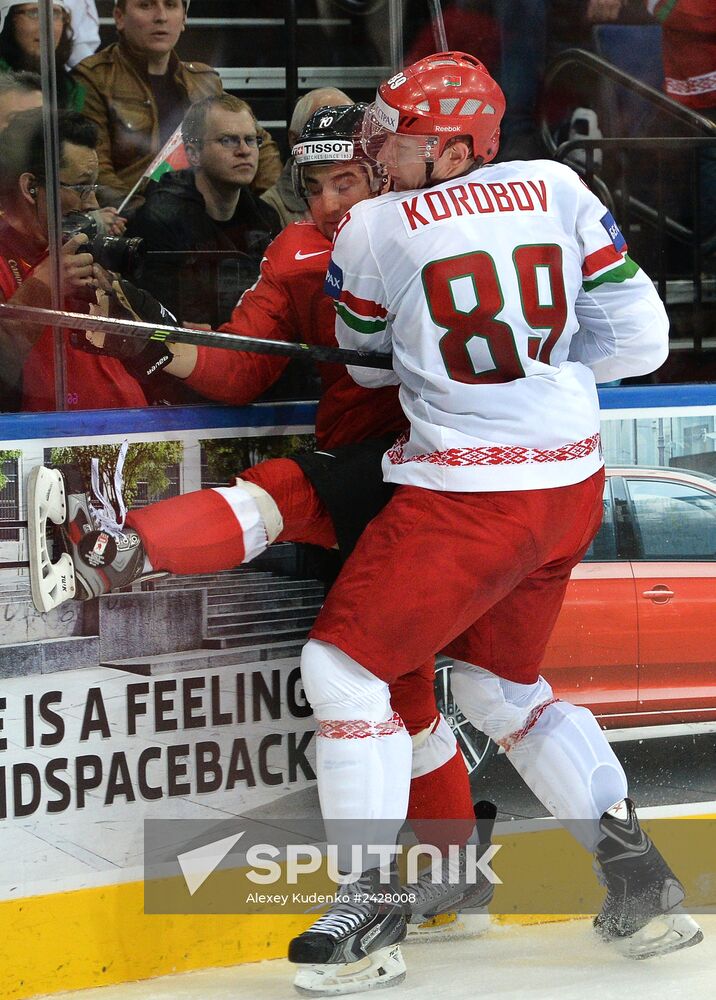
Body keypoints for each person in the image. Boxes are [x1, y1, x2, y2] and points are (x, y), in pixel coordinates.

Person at [285, 51, 702, 993]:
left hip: (473, 494)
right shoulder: (556, 183)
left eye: (392, 137)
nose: (376, 152)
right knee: (501, 691)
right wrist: (543, 368)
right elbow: (642, 339)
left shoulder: (372, 226)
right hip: (571, 481)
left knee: (342, 670)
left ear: (449, 145)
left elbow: (361, 367)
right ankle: (638, 879)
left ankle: (366, 903)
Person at [26, 105, 488, 945]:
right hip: (388, 478)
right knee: (405, 689)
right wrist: (149, 345)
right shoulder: (299, 250)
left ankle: (117, 552)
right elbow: (245, 368)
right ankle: (454, 877)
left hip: (442, 471)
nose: (323, 205)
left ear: (388, 169)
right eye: (311, 188)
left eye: (343, 181)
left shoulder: (438, 228)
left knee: (288, 489)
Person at [0, 108, 172, 411]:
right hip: (45, 448)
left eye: (94, 188)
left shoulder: (80, 247)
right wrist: (43, 289)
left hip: (136, 434)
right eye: (81, 187)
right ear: (30, 188)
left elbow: (167, 340)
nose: (91, 204)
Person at [72, 0, 281, 207]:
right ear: (119, 17)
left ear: (184, 18)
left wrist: (268, 207)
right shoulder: (93, 78)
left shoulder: (203, 81)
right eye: (146, 5)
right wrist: (145, 216)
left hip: (209, 215)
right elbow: (93, 170)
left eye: (171, 5)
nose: (161, 16)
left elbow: (260, 145)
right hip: (135, 223)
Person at [127, 94, 281, 327]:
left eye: (251, 140)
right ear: (193, 154)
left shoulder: (265, 219)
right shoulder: (158, 220)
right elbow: (156, 317)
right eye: (228, 140)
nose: (244, 150)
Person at [260, 86, 352, 229]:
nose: (337, 142)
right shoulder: (270, 209)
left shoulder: (375, 187)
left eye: (348, 130)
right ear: (294, 139)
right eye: (323, 130)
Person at [0, 0, 84, 111]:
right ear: (9, 20)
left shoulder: (72, 89)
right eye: (34, 13)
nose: (47, 27)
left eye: (55, 14)